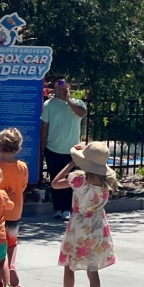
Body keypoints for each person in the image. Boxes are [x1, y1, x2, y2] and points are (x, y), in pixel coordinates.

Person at [47, 141, 117, 287]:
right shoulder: (107, 182)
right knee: (92, 272)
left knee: (70, 266)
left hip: (78, 226)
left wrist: (71, 163)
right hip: (97, 226)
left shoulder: (78, 178)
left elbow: (55, 184)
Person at [39, 78, 87, 220]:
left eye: (62, 84)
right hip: (53, 148)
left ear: (68, 86)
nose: (59, 88)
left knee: (71, 179)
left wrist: (68, 100)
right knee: (55, 178)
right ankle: (58, 209)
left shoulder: (78, 103)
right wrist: (43, 147)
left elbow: (81, 113)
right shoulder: (48, 104)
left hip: (72, 151)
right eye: (56, 85)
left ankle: (67, 208)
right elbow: (44, 127)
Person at [0, 128, 28, 287]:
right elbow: (23, 185)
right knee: (11, 243)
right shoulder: (22, 167)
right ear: (18, 147)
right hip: (15, 211)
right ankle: (11, 266)